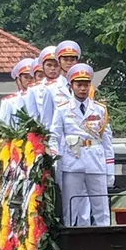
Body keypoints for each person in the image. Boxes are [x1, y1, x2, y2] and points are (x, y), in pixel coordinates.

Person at [49, 63, 114, 227]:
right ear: (71, 86)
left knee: (102, 208)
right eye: (79, 85)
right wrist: (55, 160)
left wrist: (110, 170)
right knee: (70, 207)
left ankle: (105, 241)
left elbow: (107, 141)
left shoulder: (99, 109)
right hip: (72, 162)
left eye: (86, 85)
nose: (83, 89)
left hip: (95, 161)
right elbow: (54, 136)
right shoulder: (63, 110)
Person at [41, 40, 82, 128]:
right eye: (65, 59)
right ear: (59, 62)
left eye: (72, 60)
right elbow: (46, 121)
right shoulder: (50, 89)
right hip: (61, 139)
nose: (69, 62)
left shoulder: (86, 87)